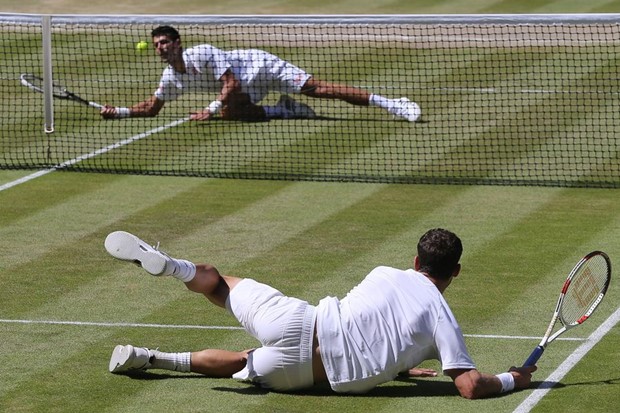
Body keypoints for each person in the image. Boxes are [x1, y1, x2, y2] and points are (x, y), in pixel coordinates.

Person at [105, 227, 535, 399]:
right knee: (243, 361)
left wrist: (405, 365)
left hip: (297, 319)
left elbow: (373, 322)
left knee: (219, 282)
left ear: (416, 260)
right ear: (455, 272)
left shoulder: (385, 272)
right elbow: (470, 387)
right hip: (306, 375)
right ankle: (150, 358)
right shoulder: (443, 317)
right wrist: (512, 379)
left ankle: (175, 267)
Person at [100, 25, 421, 122]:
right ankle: (282, 109)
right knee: (233, 113)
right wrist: (119, 113)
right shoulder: (171, 78)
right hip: (244, 90)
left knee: (319, 89)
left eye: (165, 42)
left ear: (178, 43)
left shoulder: (203, 52)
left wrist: (209, 110)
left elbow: (231, 82)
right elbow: (152, 108)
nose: (160, 48)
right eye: (156, 45)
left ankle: (394, 104)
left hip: (262, 67)